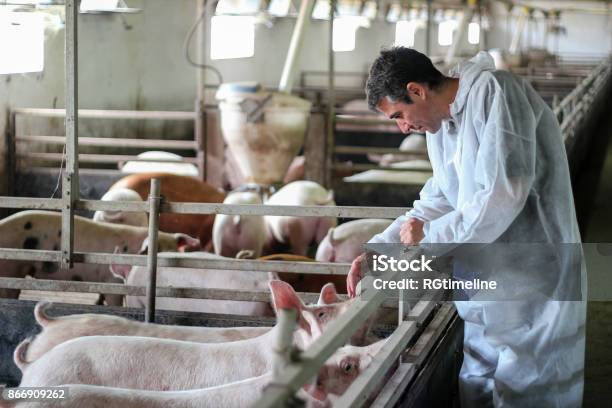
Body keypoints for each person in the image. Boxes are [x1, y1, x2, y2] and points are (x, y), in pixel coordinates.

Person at [347, 47, 586, 407]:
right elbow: (440, 197)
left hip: (531, 278)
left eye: (399, 115)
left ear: (416, 90)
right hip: (484, 281)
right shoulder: (441, 128)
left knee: (530, 387)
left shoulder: (496, 92)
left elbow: (504, 192)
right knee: (479, 382)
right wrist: (380, 251)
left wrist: (430, 236)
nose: (403, 128)